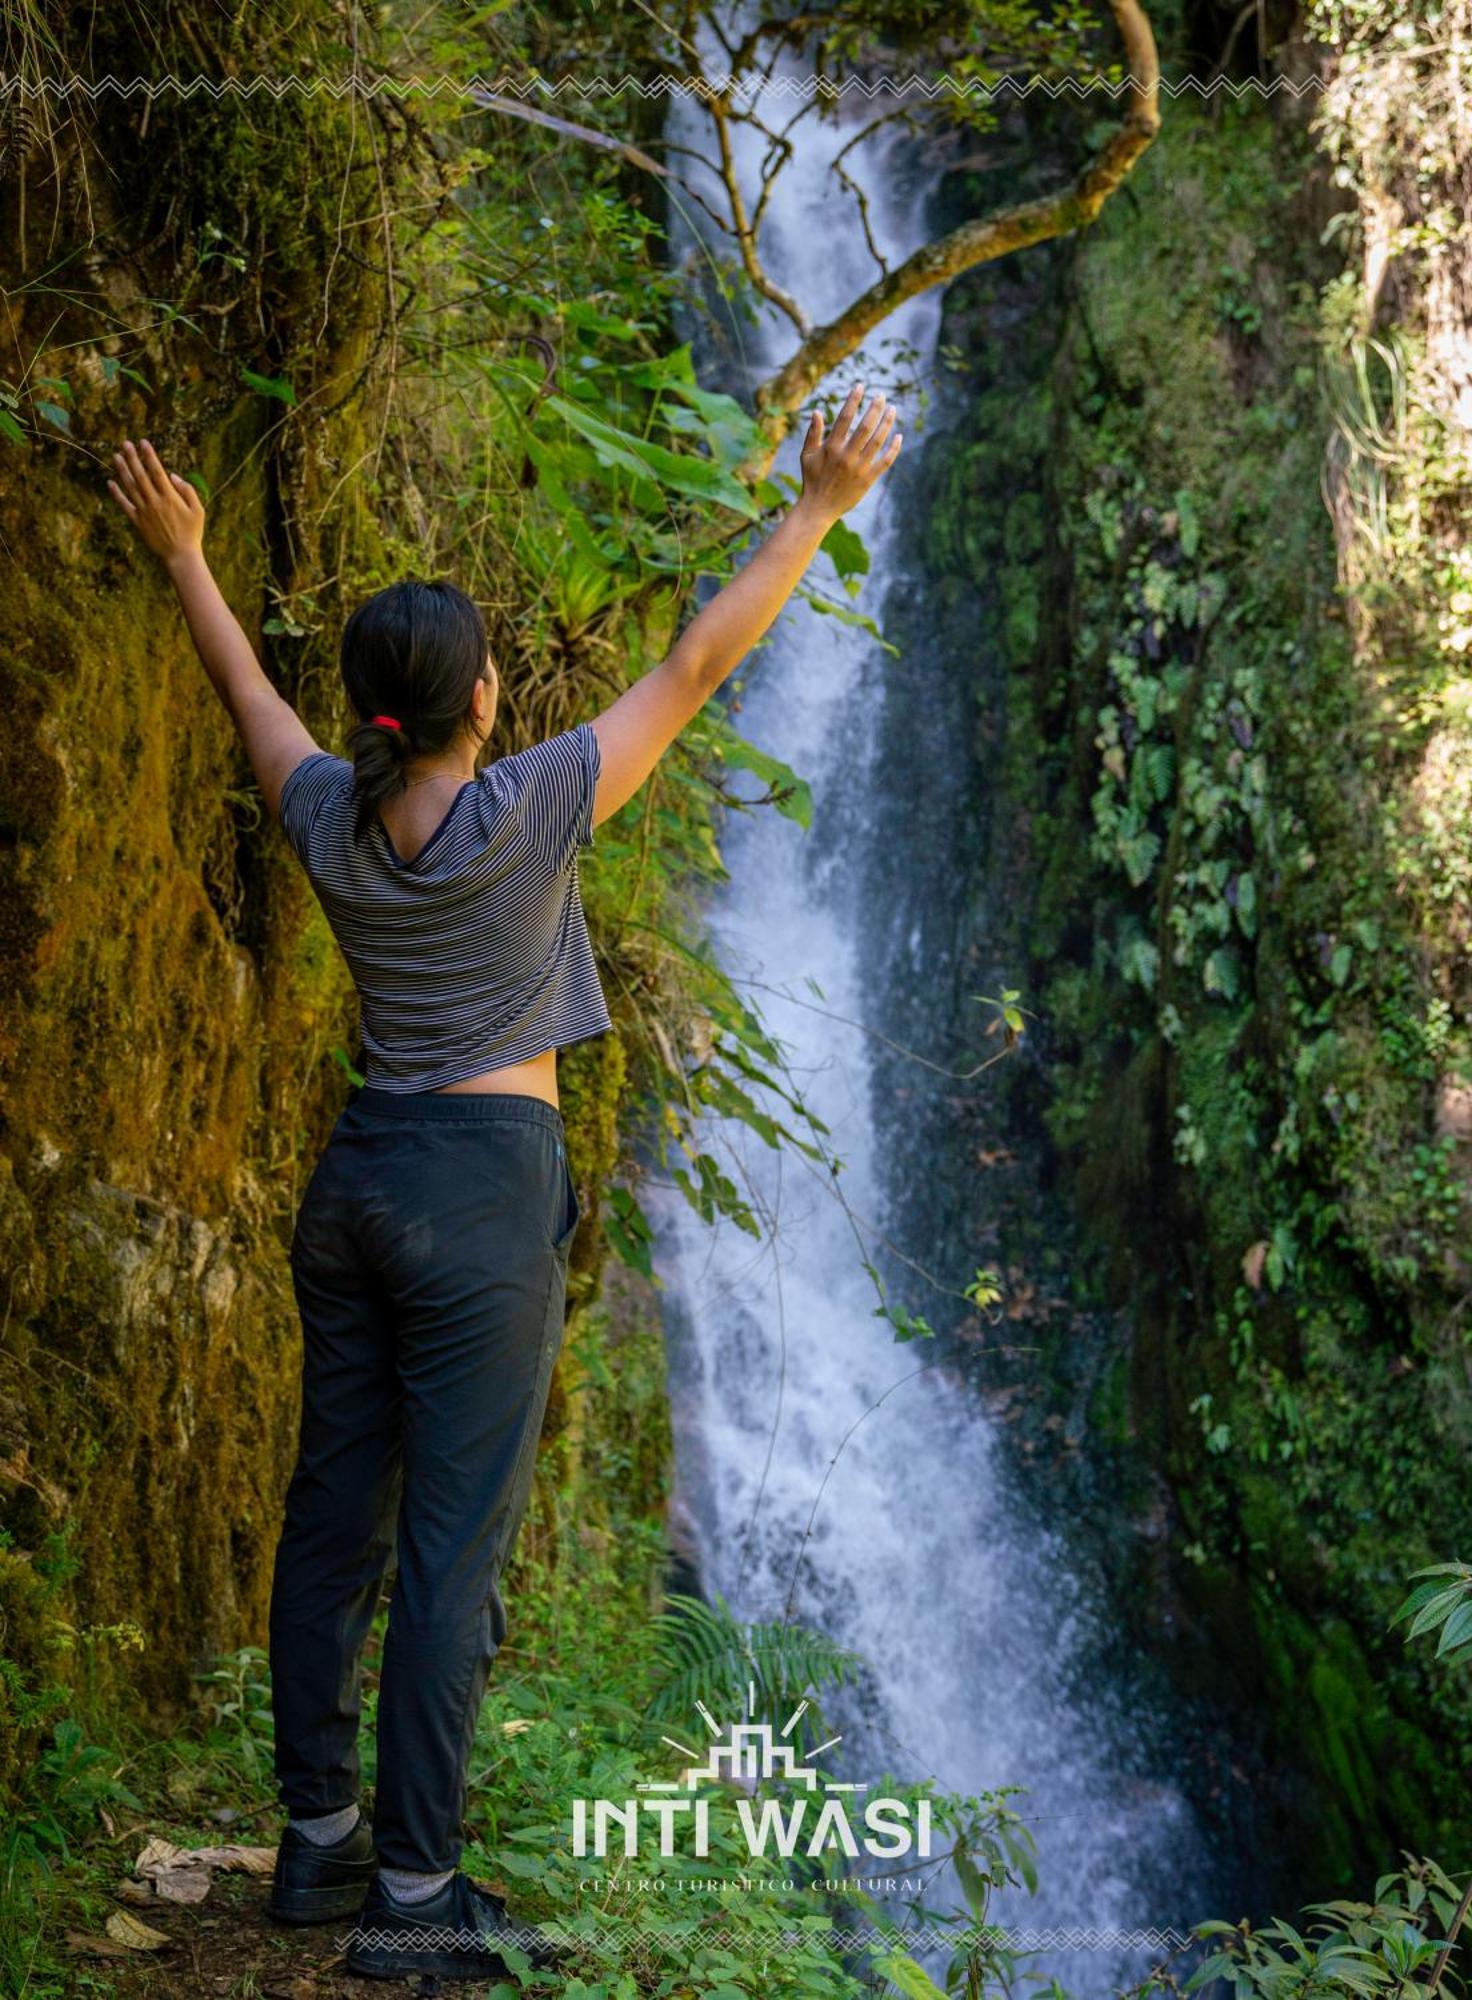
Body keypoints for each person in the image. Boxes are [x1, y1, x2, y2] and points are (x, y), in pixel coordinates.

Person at [105, 381, 900, 1982]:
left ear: (376, 712)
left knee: (336, 1515)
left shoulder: (330, 815)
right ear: (481, 695)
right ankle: (414, 1901)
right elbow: (696, 662)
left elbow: (244, 687)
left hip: (360, 1182)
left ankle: (317, 1848)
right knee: (453, 1554)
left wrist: (188, 555)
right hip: (481, 1195)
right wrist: (815, 507)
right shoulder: (529, 812)